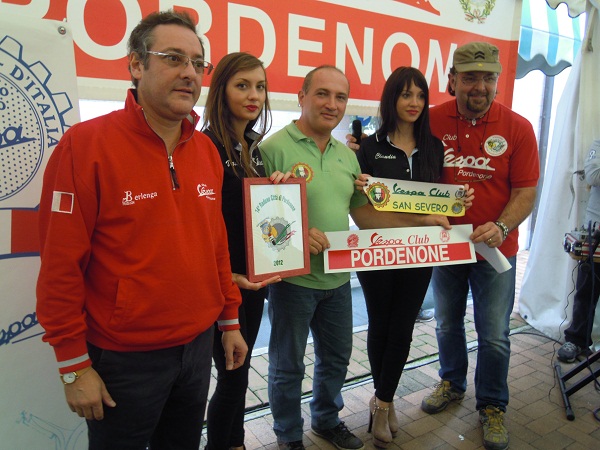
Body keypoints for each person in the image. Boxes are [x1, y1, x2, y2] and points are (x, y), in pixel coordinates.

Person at [36, 10, 247, 449]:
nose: (189, 72)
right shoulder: (85, 146)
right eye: (173, 58)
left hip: (196, 349)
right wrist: (73, 366)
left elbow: (215, 245)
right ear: (136, 64)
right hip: (123, 361)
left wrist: (229, 320)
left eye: (197, 63)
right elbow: (60, 265)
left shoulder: (206, 151)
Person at [259, 65, 452, 450]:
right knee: (288, 366)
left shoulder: (348, 158)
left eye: (340, 97)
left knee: (336, 360)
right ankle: (289, 436)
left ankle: (326, 421)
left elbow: (366, 217)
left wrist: (423, 221)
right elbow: (257, 221)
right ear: (301, 96)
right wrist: (294, 235)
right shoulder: (271, 149)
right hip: (293, 282)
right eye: (322, 94)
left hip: (338, 278)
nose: (331, 104)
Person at [419, 42, 539, 450]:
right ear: (453, 80)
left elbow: (525, 192)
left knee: (494, 334)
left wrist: (502, 225)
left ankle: (491, 405)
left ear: (497, 81)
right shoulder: (430, 121)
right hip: (446, 246)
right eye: (470, 78)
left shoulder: (518, 127)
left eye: (488, 78)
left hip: (495, 249)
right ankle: (452, 383)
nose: (480, 87)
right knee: (446, 323)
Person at [201, 51, 288, 450]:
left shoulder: (251, 148)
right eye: (242, 86)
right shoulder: (206, 146)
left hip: (251, 284)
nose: (254, 95)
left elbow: (255, 218)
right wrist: (226, 278)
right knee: (233, 378)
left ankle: (233, 442)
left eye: (260, 86)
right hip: (225, 285)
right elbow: (204, 225)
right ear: (221, 90)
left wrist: (277, 190)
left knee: (239, 373)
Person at [558, 139, 600, 363]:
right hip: (596, 231)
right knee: (587, 289)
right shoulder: (598, 144)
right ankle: (576, 340)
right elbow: (593, 175)